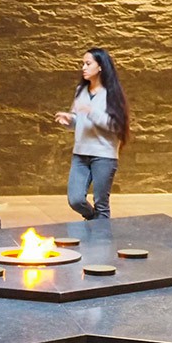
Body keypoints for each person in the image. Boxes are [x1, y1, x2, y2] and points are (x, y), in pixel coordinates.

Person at [55, 47, 130, 220]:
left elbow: (117, 126)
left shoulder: (112, 93)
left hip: (104, 155)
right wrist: (70, 120)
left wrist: (91, 112)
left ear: (100, 66)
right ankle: (95, 220)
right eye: (83, 64)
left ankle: (100, 235)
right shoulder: (81, 91)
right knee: (75, 200)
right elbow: (79, 120)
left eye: (88, 64)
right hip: (80, 153)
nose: (84, 68)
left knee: (101, 203)